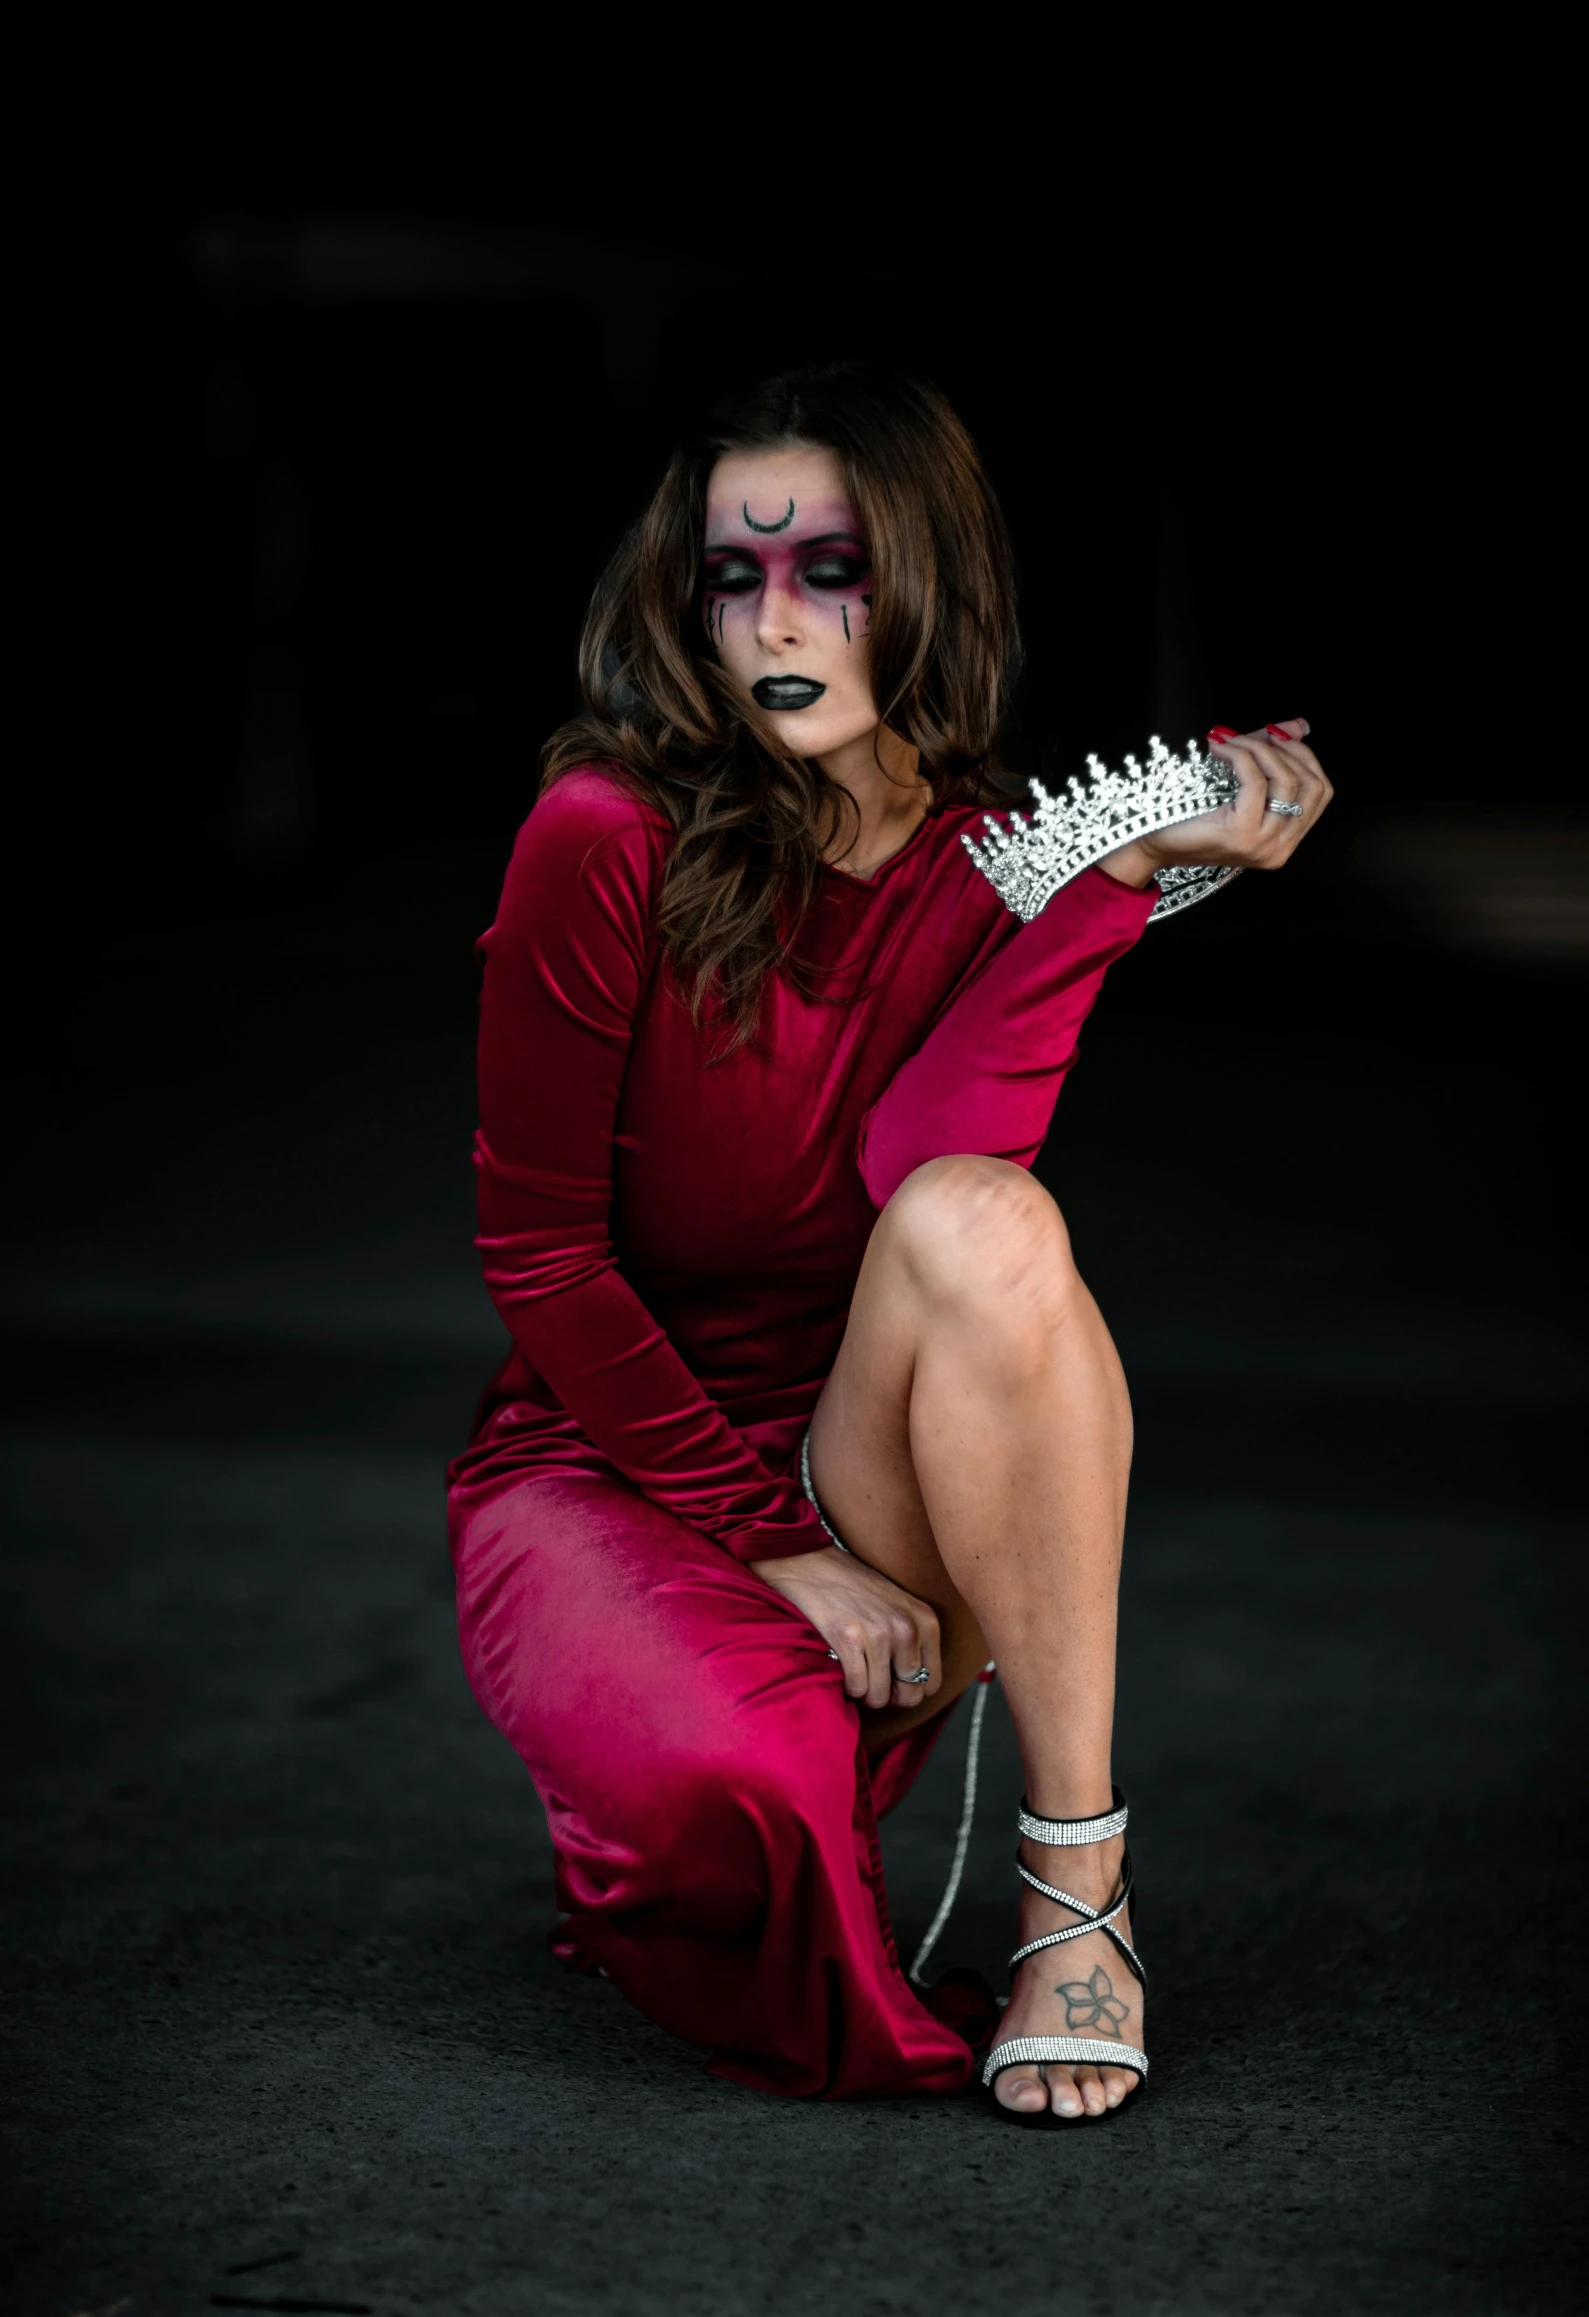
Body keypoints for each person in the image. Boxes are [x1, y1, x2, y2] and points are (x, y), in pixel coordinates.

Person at [446, 363, 1331, 2117]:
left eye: (830, 569)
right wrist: (778, 1546)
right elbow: (541, 1257)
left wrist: (1118, 874)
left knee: (983, 1220)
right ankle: (709, 1800)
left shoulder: (1001, 858)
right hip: (611, 1459)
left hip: (889, 1456)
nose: (772, 615)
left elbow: (930, 1166)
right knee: (737, 1809)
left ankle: (1077, 1888)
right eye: (732, 572)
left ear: (923, 579)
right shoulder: (604, 835)